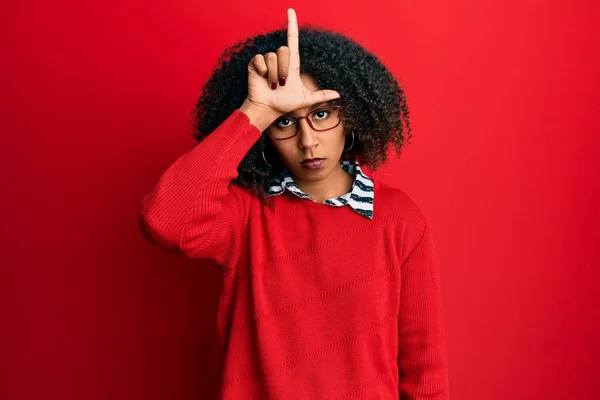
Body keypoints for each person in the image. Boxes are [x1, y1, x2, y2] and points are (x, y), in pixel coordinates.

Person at [139, 8, 450, 399]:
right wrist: (256, 112)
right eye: (286, 122)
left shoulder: (399, 219)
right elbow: (164, 222)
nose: (308, 141)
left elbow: (425, 369)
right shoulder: (246, 213)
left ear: (351, 117)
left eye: (322, 115)